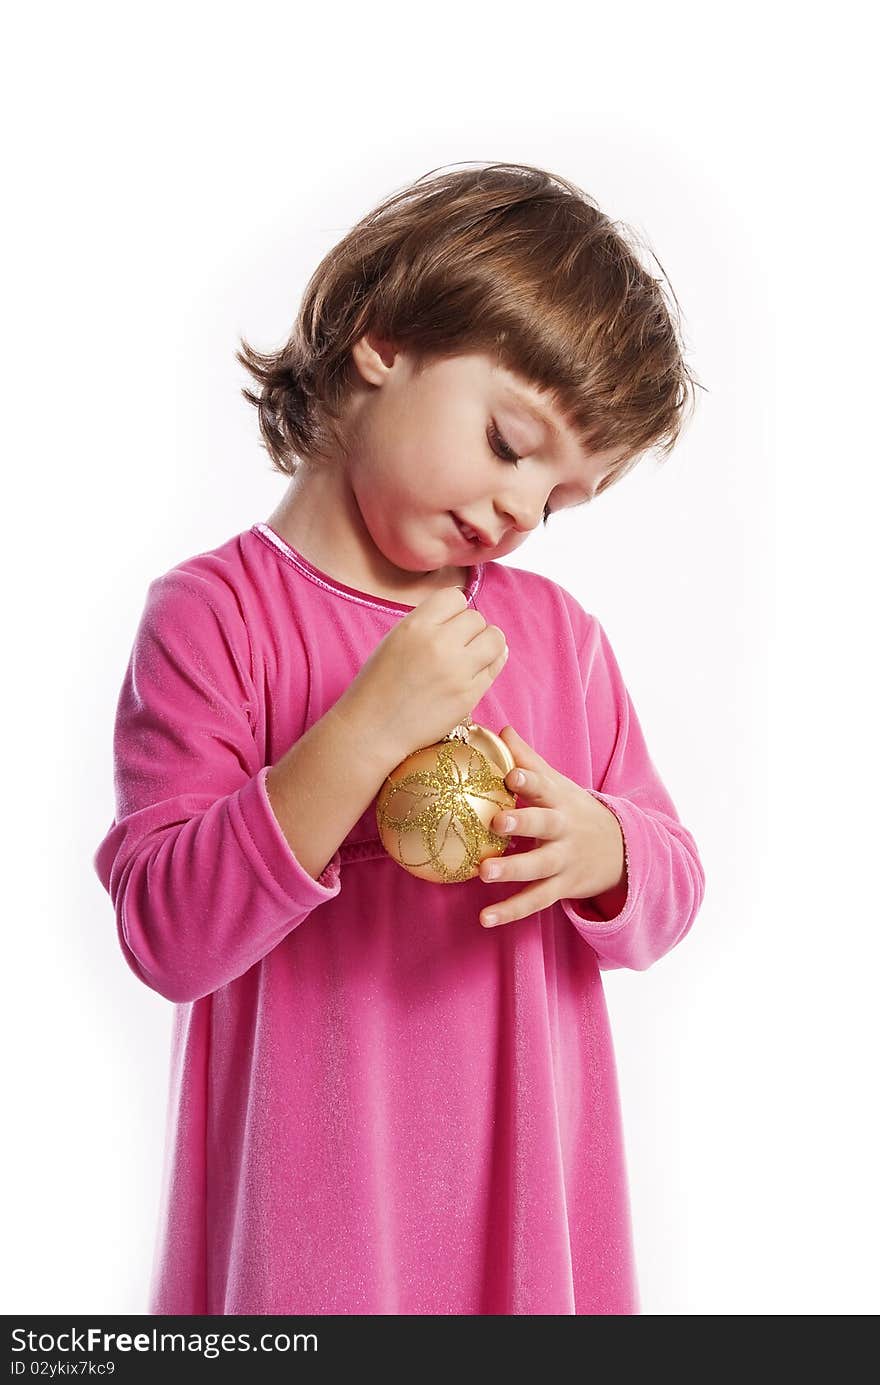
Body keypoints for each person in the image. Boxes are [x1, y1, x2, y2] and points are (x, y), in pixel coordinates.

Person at [93, 161, 706, 1316]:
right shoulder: (214, 618)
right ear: (383, 342)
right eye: (511, 445)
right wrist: (362, 731)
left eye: (559, 503)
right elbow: (166, 934)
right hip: (309, 1223)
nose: (522, 514)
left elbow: (674, 877)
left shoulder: (557, 637)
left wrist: (607, 848)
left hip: (526, 1211)